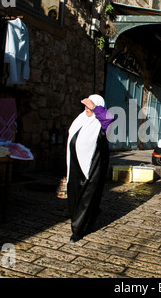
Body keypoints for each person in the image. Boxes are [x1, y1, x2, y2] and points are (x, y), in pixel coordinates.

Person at [66, 94, 114, 243]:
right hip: (75, 163)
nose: (86, 108)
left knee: (87, 196)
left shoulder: (101, 122)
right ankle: (85, 217)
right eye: (85, 106)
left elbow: (109, 117)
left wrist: (94, 107)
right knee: (74, 194)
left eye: (90, 106)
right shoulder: (81, 118)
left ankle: (78, 230)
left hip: (93, 166)